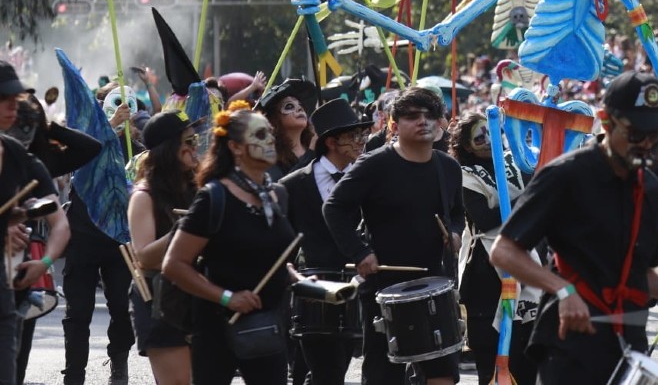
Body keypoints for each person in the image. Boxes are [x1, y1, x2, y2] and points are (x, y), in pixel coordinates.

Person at [490, 71, 658, 383]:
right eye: (637, 134)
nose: (647, 144)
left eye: (656, 135)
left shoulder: (648, 185)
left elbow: (639, 272)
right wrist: (563, 290)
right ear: (606, 122)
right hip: (571, 345)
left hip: (629, 343)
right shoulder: (565, 175)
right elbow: (504, 251)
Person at [322, 86, 464, 385]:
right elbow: (334, 208)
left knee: (444, 375)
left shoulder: (449, 167)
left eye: (430, 115)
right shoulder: (374, 164)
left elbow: (458, 213)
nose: (423, 121)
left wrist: (454, 232)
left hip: (434, 283)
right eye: (412, 116)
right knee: (385, 374)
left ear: (440, 123)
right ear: (394, 125)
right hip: (385, 284)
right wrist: (359, 252)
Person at [164, 101, 298, 385]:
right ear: (236, 147)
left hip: (268, 326)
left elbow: (271, 257)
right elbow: (174, 265)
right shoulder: (214, 197)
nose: (271, 140)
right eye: (260, 135)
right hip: (218, 328)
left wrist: (300, 279)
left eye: (271, 134)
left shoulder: (277, 195)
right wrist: (227, 297)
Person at [279, 98, 371, 385]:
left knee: (337, 368)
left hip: (355, 290)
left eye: (363, 135)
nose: (361, 142)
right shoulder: (293, 184)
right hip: (311, 291)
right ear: (331, 141)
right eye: (354, 136)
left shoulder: (368, 178)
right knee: (319, 370)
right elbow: (283, 242)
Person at [60, 86, 140, 385]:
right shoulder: (86, 140)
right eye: (117, 104)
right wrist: (110, 127)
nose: (124, 110)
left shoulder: (137, 149)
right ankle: (74, 375)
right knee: (78, 310)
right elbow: (80, 158)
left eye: (129, 106)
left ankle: (119, 365)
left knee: (122, 305)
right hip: (82, 235)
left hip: (119, 240)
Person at [450, 112, 536, 384]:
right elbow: (485, 220)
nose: (488, 140)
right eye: (479, 137)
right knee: (490, 354)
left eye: (491, 133)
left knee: (525, 353)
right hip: (484, 271)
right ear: (466, 146)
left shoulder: (518, 163)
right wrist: (526, 201)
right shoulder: (463, 175)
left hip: (523, 261)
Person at [0, 63, 71, 385]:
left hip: (6, 289)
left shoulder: (18, 156)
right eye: (4, 98)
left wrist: (43, 263)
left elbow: (60, 224)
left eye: (15, 98)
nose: (12, 106)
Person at [127, 111, 201, 385]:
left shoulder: (199, 187)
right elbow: (144, 256)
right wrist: (186, 228)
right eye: (189, 142)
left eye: (196, 141)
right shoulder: (144, 195)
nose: (196, 149)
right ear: (171, 149)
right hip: (161, 298)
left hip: (199, 293)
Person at [256, 78, 319, 180]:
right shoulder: (270, 155)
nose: (299, 109)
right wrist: (310, 154)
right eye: (289, 106)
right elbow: (283, 186)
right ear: (274, 120)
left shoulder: (319, 148)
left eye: (301, 105)